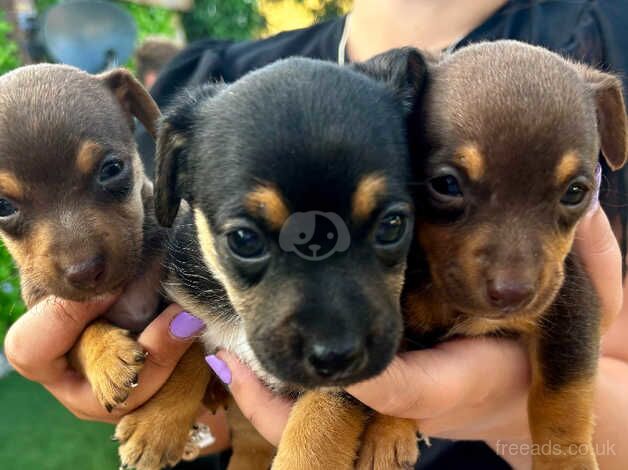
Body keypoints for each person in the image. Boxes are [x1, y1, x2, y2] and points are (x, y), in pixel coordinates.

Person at [5, 1, 627, 468]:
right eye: (247, 240)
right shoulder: (205, 88)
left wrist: (512, 415)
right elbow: (217, 366)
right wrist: (175, 392)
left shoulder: (577, 66)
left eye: (389, 227)